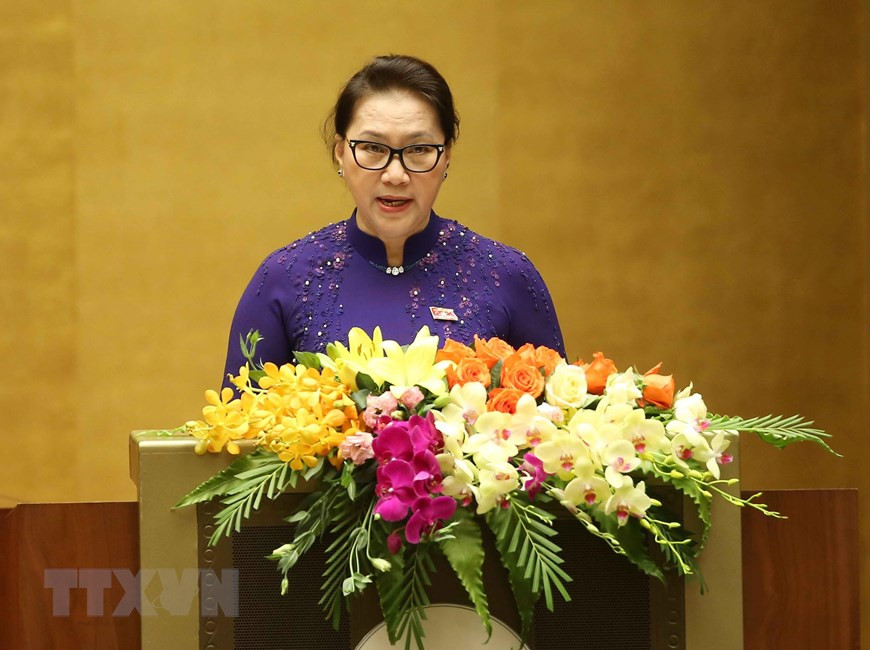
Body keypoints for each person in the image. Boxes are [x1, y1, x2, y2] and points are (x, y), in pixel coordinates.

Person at [222, 54, 565, 383]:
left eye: (418, 150)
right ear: (340, 152)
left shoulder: (509, 276)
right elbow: (241, 432)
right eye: (373, 148)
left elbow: (556, 429)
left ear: (446, 157)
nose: (395, 174)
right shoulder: (282, 280)